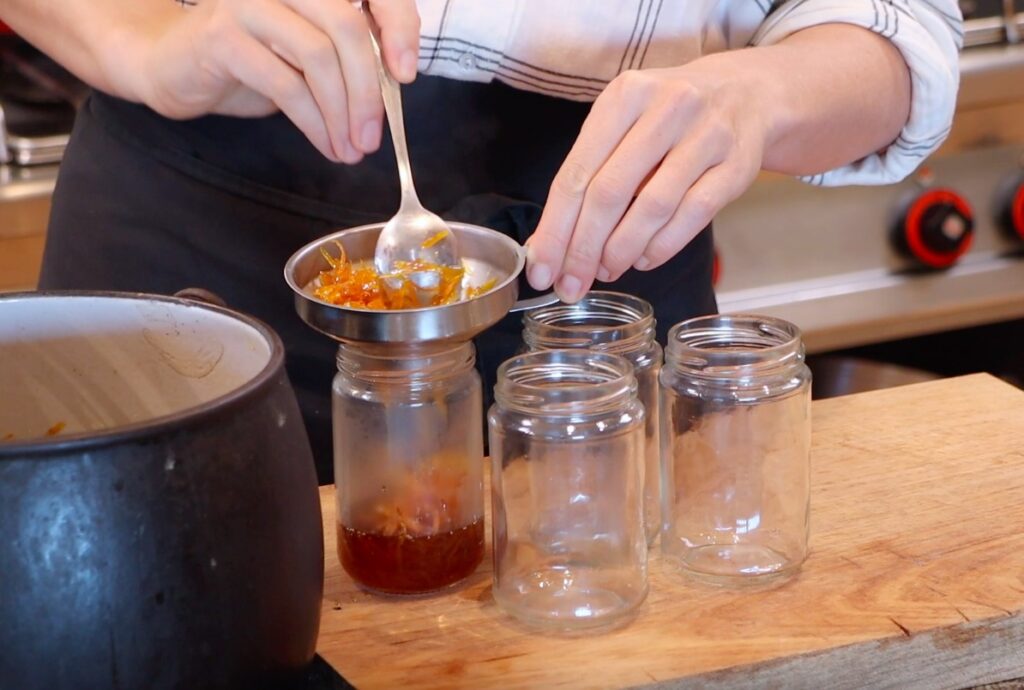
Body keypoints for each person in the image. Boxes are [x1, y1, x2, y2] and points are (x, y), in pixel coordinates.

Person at [2, 0, 961, 482]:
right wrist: (139, 40)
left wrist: (761, 95)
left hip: (601, 266)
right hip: (184, 230)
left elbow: (900, 28)